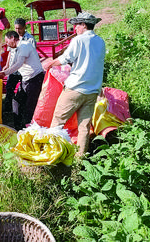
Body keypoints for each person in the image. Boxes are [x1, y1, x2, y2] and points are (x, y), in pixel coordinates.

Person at [43, 11, 105, 157]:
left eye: (76, 25)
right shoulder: (100, 41)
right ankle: (80, 159)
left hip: (75, 89)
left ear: (83, 25)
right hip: (92, 91)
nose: (74, 28)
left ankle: (52, 155)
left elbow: (65, 58)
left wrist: (50, 63)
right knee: (84, 126)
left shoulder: (79, 40)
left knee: (58, 121)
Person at [0, 30, 44, 130]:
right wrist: (6, 68)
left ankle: (31, 129)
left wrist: (4, 73)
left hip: (34, 78)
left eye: (7, 41)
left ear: (13, 38)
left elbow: (18, 64)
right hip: (26, 79)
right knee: (16, 101)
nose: (7, 44)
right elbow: (14, 63)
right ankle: (18, 127)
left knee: (30, 106)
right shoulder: (17, 48)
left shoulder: (24, 46)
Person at [3, 18, 36, 112]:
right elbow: (10, 52)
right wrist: (7, 64)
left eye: (20, 28)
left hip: (24, 68)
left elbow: (32, 54)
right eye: (16, 28)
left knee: (24, 89)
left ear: (24, 27)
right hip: (14, 68)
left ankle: (23, 108)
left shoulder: (30, 39)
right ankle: (8, 107)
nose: (18, 30)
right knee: (9, 87)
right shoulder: (12, 37)